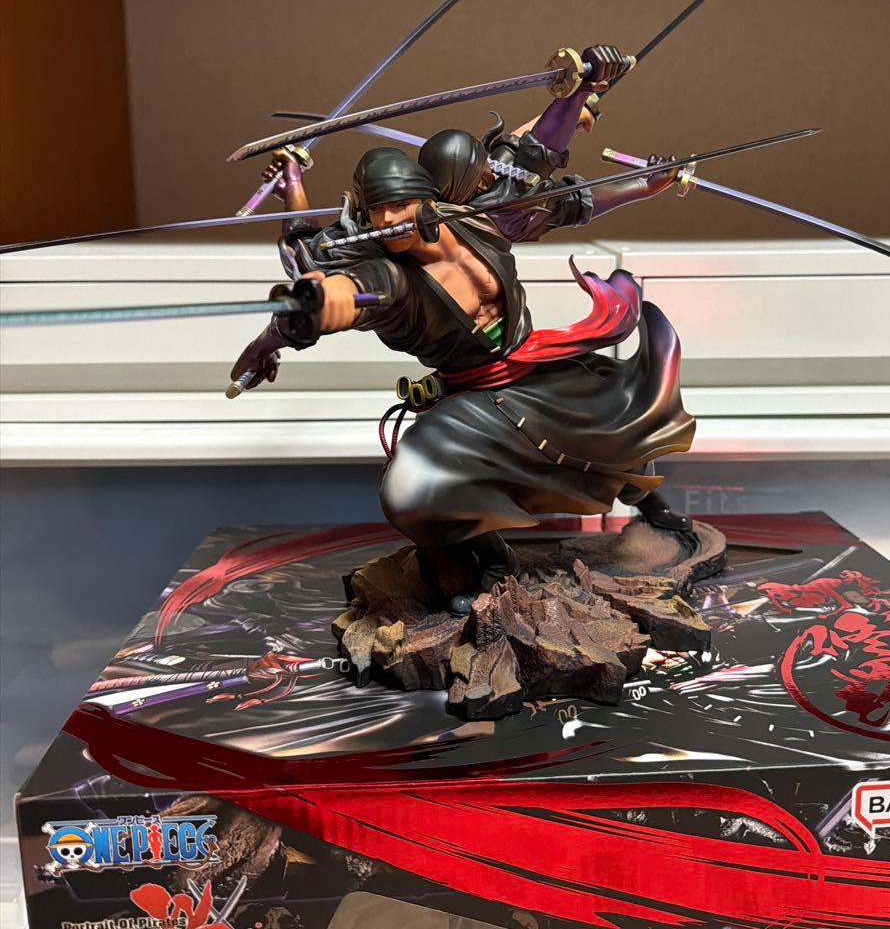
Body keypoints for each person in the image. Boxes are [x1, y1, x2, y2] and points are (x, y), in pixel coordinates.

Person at [232, 45, 696, 613]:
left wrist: (587, 100)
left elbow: (538, 160)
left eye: (402, 204)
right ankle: (489, 558)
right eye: (377, 213)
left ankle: (652, 508)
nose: (391, 221)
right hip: (472, 398)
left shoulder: (486, 218)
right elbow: (339, 290)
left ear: (430, 200)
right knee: (414, 492)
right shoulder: (390, 277)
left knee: (621, 410)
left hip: (534, 365)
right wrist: (285, 326)